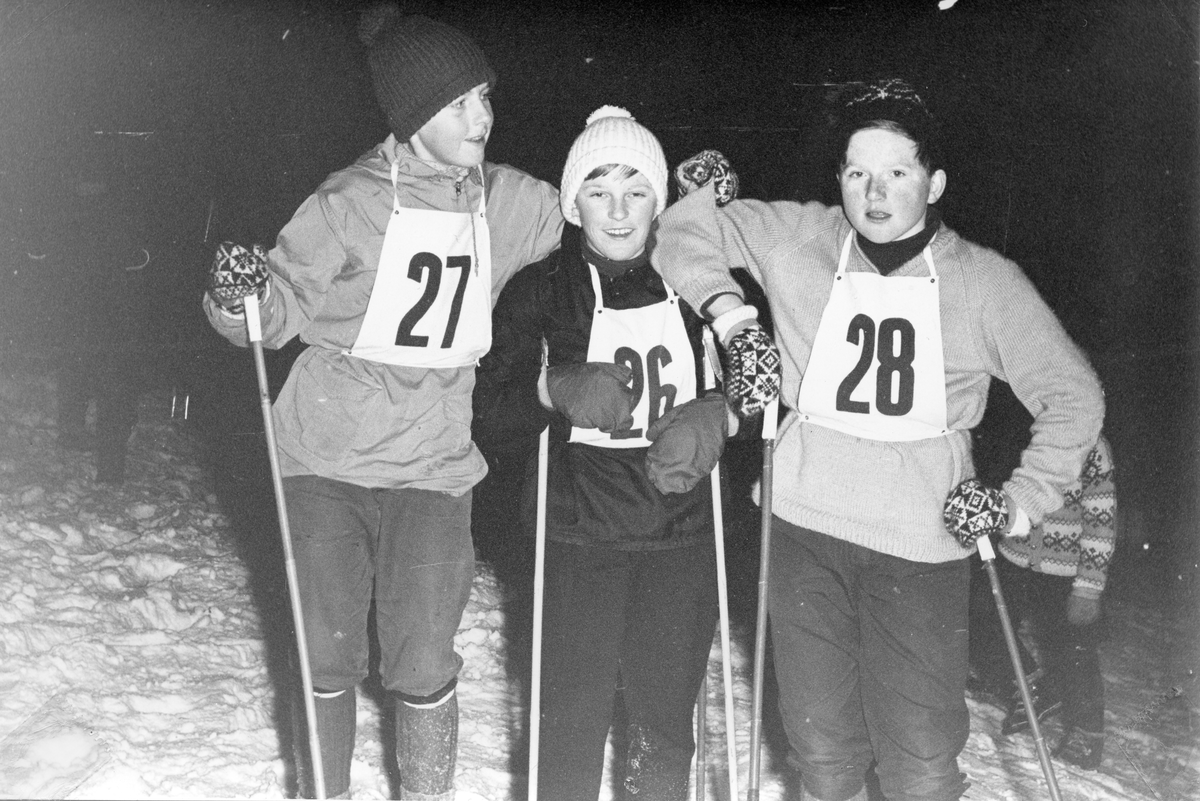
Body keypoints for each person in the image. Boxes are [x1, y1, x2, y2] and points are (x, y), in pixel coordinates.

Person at [651, 78, 1105, 801]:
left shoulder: (984, 282)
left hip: (919, 543)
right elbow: (681, 231)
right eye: (858, 171)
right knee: (823, 753)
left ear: (936, 181)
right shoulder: (803, 234)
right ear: (839, 179)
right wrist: (734, 319)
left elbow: (1074, 395)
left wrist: (1016, 504)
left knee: (921, 763)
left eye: (898, 171)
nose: (876, 190)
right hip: (802, 526)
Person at [202, 5, 562, 799]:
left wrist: (666, 194)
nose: (483, 117)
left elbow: (598, 213)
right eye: (461, 103)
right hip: (327, 460)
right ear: (412, 114)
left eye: (486, 98)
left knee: (424, 656)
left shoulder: (503, 200)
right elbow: (281, 304)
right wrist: (243, 297)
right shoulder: (348, 200)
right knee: (326, 649)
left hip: (433, 467)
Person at [474, 107, 736, 800]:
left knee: (662, 727)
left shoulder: (699, 283)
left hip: (679, 534)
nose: (618, 210)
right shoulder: (540, 290)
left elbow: (772, 385)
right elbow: (486, 416)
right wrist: (549, 391)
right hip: (573, 534)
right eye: (598, 189)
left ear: (660, 198)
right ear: (572, 200)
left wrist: (726, 412)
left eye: (636, 189)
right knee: (567, 720)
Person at [967, 433, 1117, 770]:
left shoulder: (1091, 444)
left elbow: (1101, 521)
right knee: (982, 620)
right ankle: (1032, 690)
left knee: (1074, 648)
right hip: (1015, 555)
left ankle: (1086, 732)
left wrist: (1088, 587)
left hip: (1065, 569)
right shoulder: (1031, 431)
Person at [56, 177, 154, 485]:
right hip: (111, 319)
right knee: (112, 388)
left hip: (92, 316)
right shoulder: (120, 213)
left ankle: (77, 435)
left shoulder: (74, 214)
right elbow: (140, 260)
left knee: (81, 373)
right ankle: (109, 468)